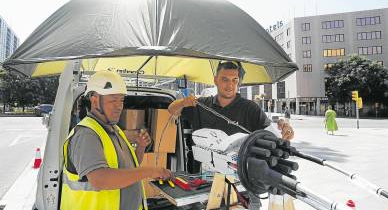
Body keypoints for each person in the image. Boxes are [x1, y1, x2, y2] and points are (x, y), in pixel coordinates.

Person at [168, 61, 294, 210]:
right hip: (207, 187)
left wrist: (285, 131)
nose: (230, 85)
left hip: (244, 189)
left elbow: (273, 139)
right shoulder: (201, 105)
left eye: (235, 80)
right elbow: (171, 110)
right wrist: (183, 102)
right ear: (215, 80)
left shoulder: (250, 108)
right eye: (225, 79)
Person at [61, 70, 171, 210]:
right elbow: (100, 179)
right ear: (94, 100)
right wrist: (149, 171)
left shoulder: (115, 130)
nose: (119, 106)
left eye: (121, 100)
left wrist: (141, 147)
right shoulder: (86, 134)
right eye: (113, 100)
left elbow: (131, 166)